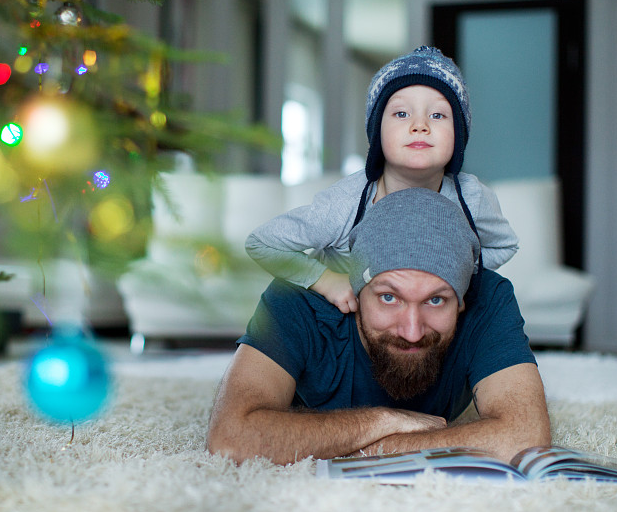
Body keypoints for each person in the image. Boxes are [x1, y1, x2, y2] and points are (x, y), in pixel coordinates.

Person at [207, 188, 551, 466]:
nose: (412, 331)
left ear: (462, 300)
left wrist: (372, 450)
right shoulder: (295, 301)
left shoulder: (488, 299)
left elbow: (525, 436)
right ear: (355, 290)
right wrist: (381, 421)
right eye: (389, 297)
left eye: (436, 300)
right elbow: (230, 438)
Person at [246, 46, 518, 314]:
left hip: (422, 322)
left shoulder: (471, 198)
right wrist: (325, 280)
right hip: (341, 317)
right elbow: (261, 243)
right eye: (401, 114)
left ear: (458, 133)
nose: (420, 125)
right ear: (377, 132)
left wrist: (455, 275)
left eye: (437, 115)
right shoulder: (346, 203)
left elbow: (504, 244)